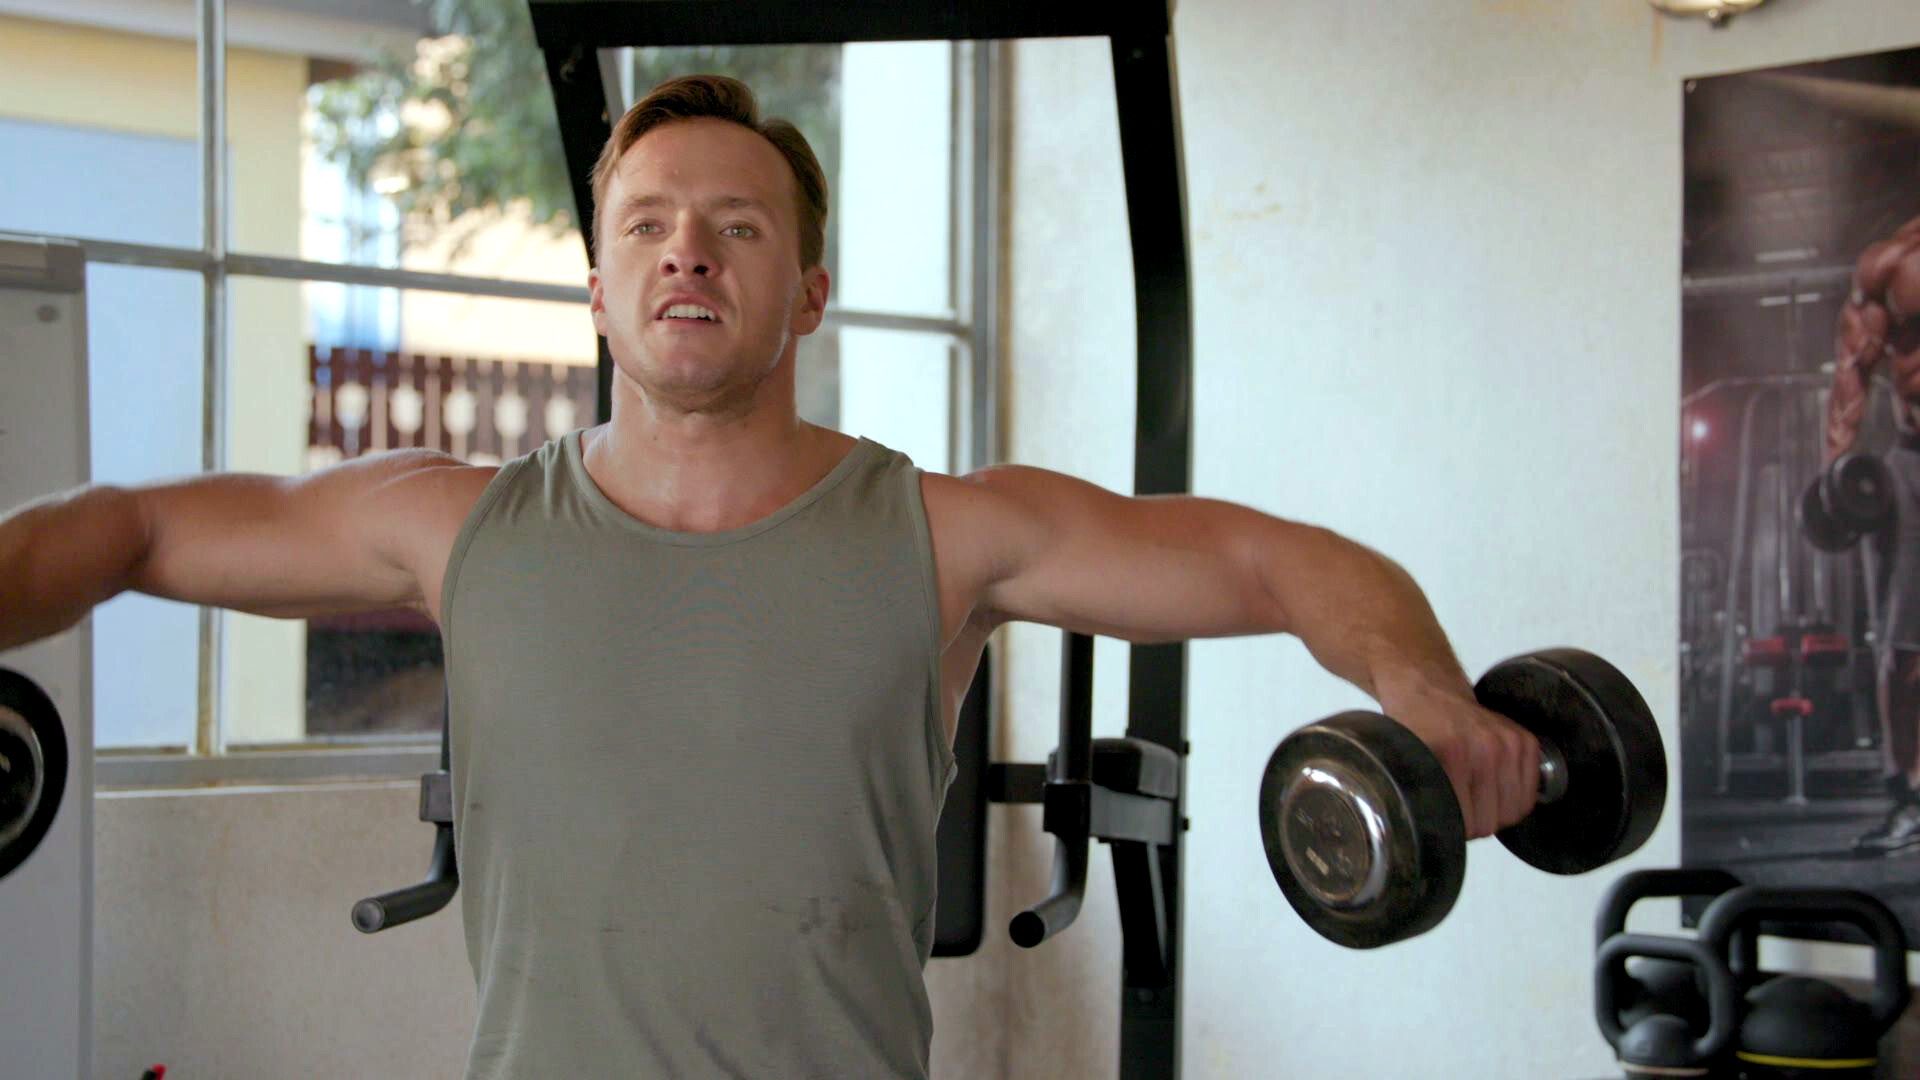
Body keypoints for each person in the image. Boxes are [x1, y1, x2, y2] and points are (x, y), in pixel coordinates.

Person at [0, 76, 1541, 1079]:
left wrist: (1421, 687)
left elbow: (1277, 562)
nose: (689, 253)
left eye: (737, 228)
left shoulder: (945, 536)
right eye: (649, 227)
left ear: (806, 293)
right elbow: (126, 532)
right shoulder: (455, 527)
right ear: (597, 288)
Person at [1824, 214, 1920, 855]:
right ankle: (1907, 798)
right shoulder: (1893, 266)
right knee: (1904, 650)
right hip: (1912, 465)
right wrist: (1836, 470)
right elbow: (1854, 368)